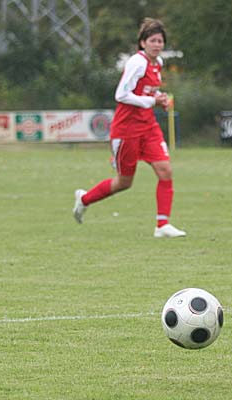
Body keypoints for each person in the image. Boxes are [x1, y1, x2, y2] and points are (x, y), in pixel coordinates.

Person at [73, 18, 186, 238]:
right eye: (152, 40)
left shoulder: (158, 63)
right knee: (124, 182)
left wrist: (159, 98)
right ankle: (84, 199)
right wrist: (152, 101)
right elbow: (121, 95)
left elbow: (146, 91)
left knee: (165, 170)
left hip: (148, 126)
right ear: (143, 43)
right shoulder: (137, 63)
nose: (157, 45)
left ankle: (162, 225)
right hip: (127, 130)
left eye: (160, 41)